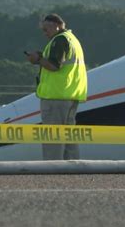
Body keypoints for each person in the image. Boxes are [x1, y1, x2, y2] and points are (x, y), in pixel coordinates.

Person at [26, 14, 87, 160]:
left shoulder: (59, 40)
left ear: (56, 25)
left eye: (46, 28)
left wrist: (38, 60)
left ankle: (52, 173)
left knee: (53, 140)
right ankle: (72, 173)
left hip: (56, 98)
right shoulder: (72, 39)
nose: (44, 32)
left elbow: (54, 66)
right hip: (70, 96)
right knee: (69, 140)